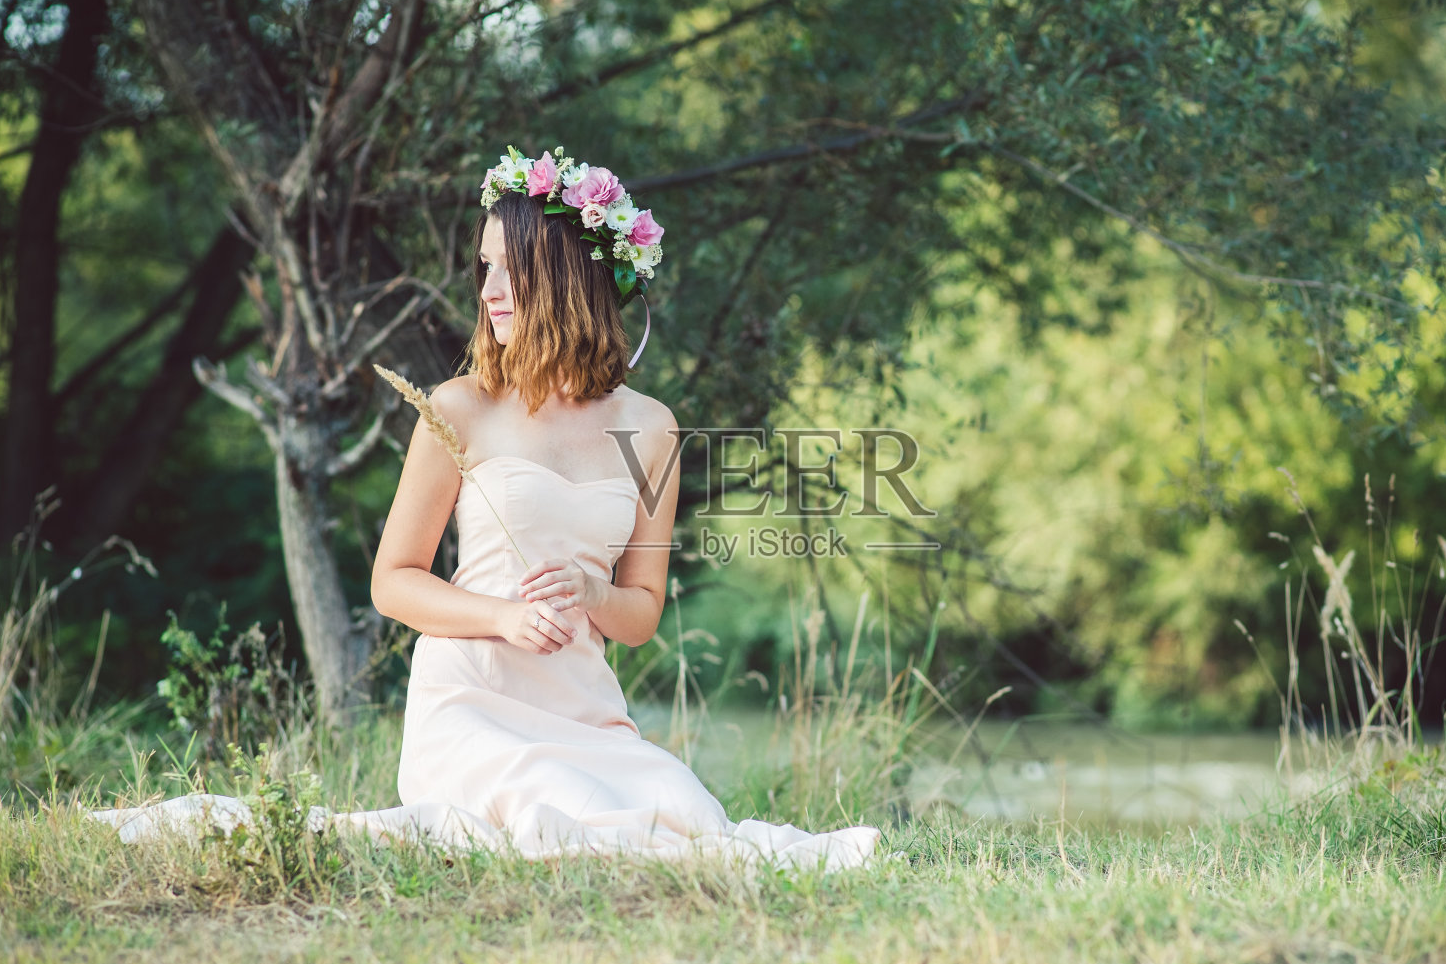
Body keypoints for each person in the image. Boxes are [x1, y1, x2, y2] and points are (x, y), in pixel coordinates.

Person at [88, 147, 880, 871]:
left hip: (585, 709)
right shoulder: (460, 407)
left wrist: (595, 595)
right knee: (555, 808)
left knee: (683, 812)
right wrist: (501, 616)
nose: (489, 290)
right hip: (470, 701)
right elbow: (392, 581)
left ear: (568, 274)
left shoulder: (652, 426)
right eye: (484, 268)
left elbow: (640, 614)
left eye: (509, 269)